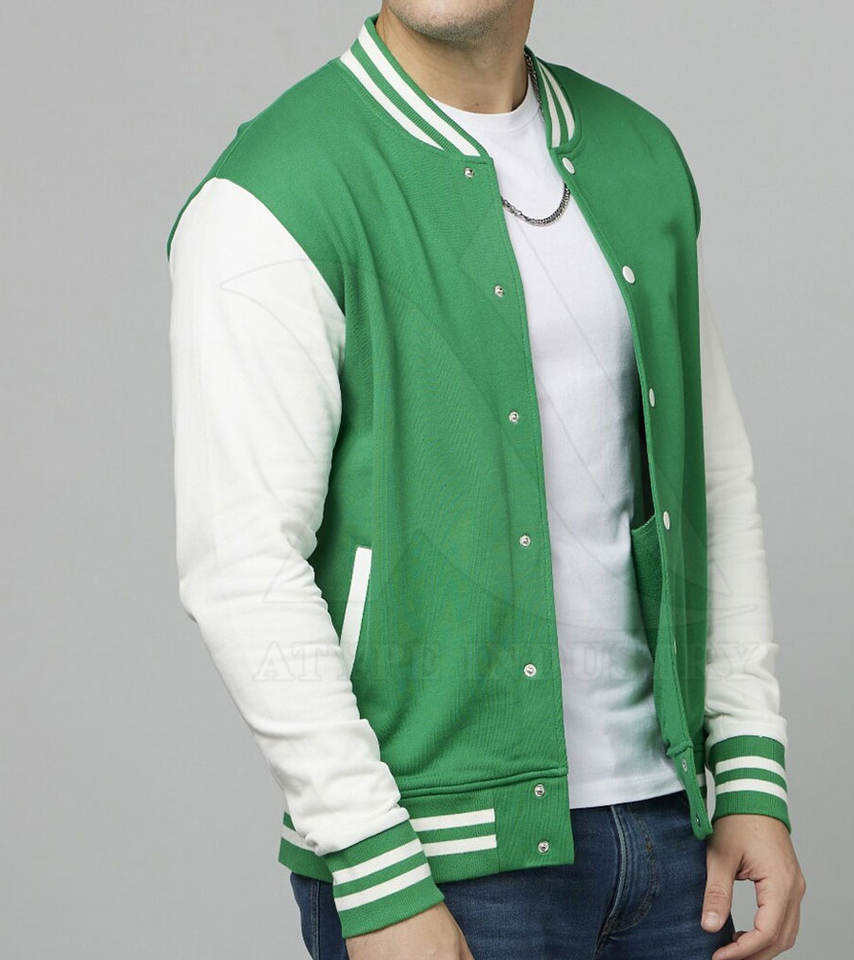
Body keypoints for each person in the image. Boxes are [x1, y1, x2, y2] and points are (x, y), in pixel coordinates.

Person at [165, 2, 805, 958]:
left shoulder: (637, 155)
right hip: (435, 860)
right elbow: (242, 563)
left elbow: (709, 482)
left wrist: (749, 769)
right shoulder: (278, 189)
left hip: (673, 834)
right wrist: (374, 866)